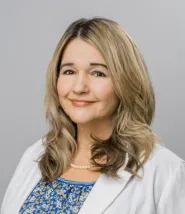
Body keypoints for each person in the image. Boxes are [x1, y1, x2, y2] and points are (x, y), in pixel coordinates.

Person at [1, 17, 185, 214]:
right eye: (69, 71)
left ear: (126, 81)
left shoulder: (166, 171)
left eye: (98, 73)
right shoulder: (36, 155)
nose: (79, 87)